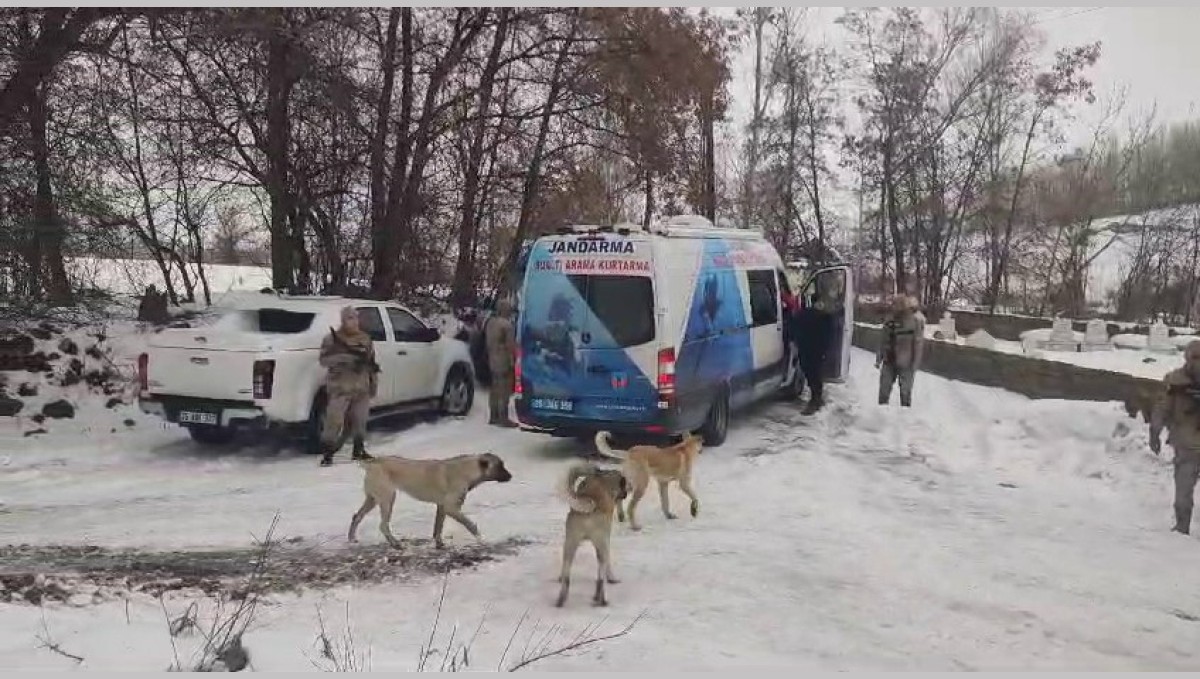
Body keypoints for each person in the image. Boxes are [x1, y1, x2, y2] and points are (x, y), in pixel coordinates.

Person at [317, 306, 379, 467]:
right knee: (334, 422)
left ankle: (358, 450)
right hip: (340, 388)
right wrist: (344, 359)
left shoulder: (365, 339)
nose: (354, 322)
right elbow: (324, 360)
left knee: (360, 421)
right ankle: (328, 453)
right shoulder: (331, 339)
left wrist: (373, 384)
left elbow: (371, 363)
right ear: (343, 321)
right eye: (349, 318)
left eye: (355, 318)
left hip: (361, 388)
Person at [1149, 339, 1200, 535]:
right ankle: (1181, 529)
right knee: (1182, 496)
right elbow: (1162, 408)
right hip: (1187, 447)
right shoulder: (1175, 382)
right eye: (1195, 358)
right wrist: (1155, 431)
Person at [876, 294, 925, 407]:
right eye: (895, 305)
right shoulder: (889, 321)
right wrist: (879, 357)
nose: (896, 308)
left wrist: (915, 363)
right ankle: (881, 413)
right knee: (884, 389)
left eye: (898, 305)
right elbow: (883, 340)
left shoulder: (914, 322)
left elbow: (918, 343)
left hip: (906, 361)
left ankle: (905, 415)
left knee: (905, 391)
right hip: (889, 360)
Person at [792, 288, 834, 415]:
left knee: (814, 375)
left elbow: (827, 335)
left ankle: (816, 400)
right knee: (813, 374)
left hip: (812, 350)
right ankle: (816, 398)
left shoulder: (819, 316)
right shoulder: (810, 314)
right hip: (810, 349)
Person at [485, 297, 518, 428]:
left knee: (494, 388)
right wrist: (514, 359)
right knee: (505, 389)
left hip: (492, 358)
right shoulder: (507, 325)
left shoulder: (490, 323)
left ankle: (493, 416)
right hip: (504, 359)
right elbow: (511, 346)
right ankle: (503, 417)